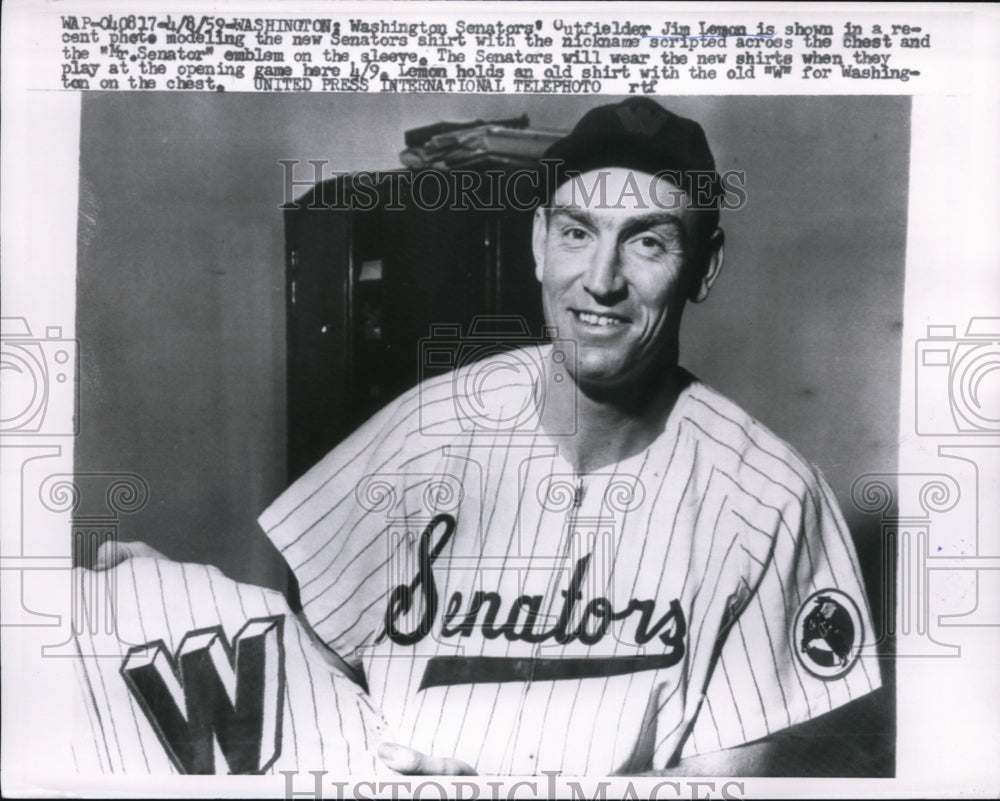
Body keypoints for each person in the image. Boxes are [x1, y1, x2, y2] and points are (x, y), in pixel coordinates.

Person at [99, 97, 881, 776]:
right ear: (538, 242)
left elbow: (727, 784)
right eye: (578, 232)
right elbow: (310, 677)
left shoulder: (773, 499)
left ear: (703, 267)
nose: (600, 279)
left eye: (647, 241)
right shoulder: (423, 430)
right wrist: (192, 611)